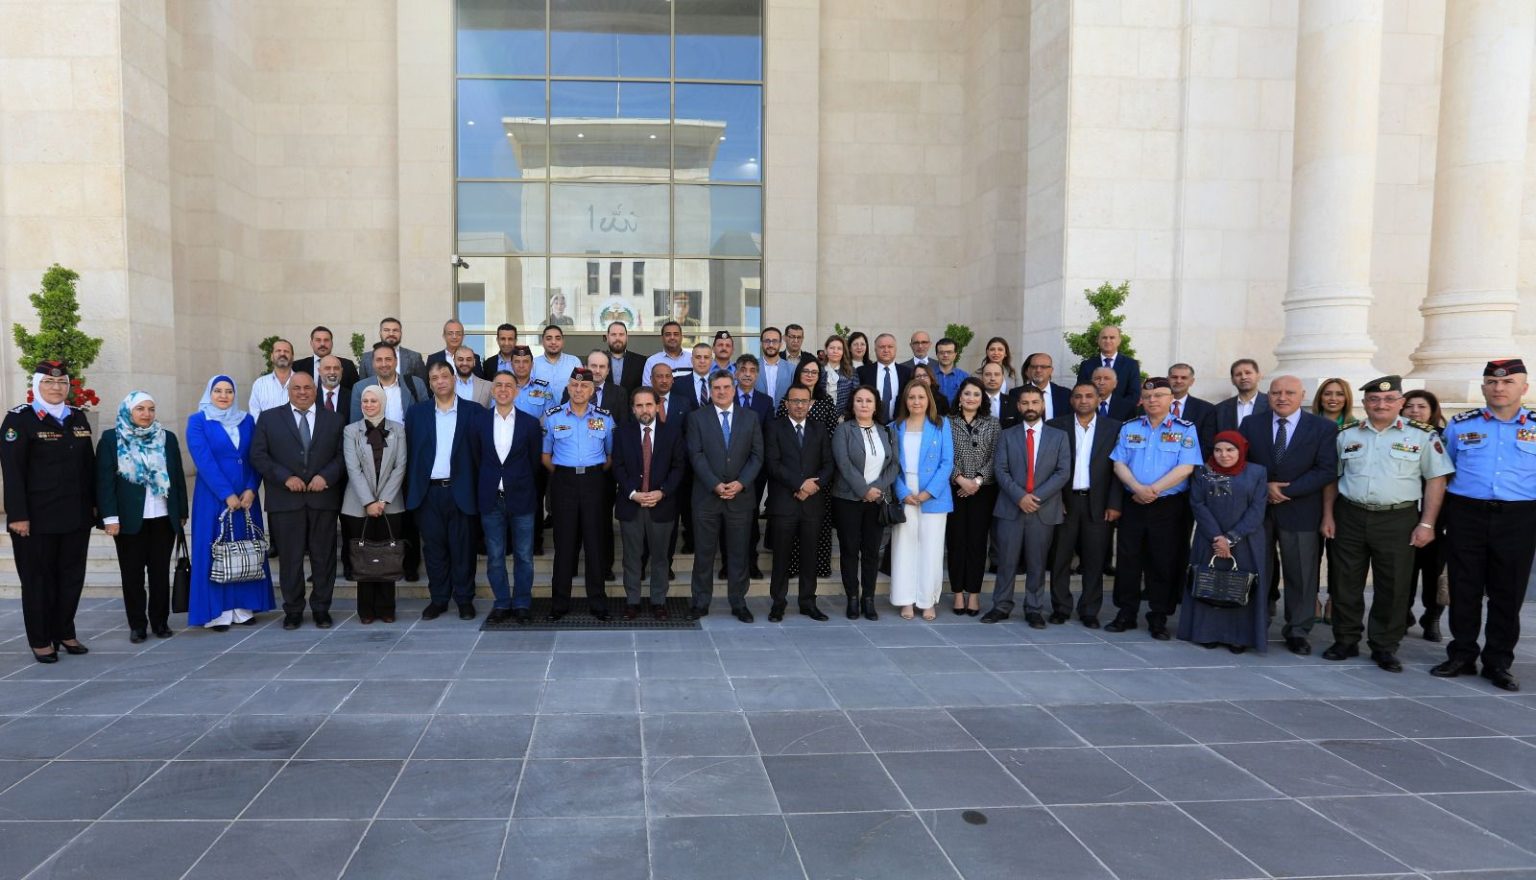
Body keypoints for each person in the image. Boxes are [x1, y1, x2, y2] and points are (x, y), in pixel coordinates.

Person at [1320, 375, 1453, 673]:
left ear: (1400, 403)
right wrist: (1328, 515)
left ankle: (1384, 646)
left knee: (1393, 585)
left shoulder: (1422, 436)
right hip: (1349, 515)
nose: (1381, 404)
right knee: (1344, 582)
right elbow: (1332, 478)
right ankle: (1345, 640)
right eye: (1374, 399)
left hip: (1398, 518)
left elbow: (1436, 479)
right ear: (1365, 403)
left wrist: (1427, 524)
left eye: (1389, 399)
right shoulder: (1346, 434)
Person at [1432, 359, 1536, 692]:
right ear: (1483, 388)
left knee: (1508, 592)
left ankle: (1498, 662)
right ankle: (1462, 654)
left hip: (1519, 517)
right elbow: (1444, 469)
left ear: (1524, 388)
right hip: (1467, 514)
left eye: (1507, 382)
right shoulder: (1461, 425)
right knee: (1464, 588)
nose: (1498, 388)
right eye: (1491, 382)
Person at [3, 361, 98, 662]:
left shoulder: (77, 417)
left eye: (62, 383)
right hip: (36, 519)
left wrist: (95, 506)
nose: (56, 388)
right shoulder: (20, 419)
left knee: (71, 578)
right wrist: (17, 515)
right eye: (49, 382)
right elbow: (12, 471)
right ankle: (41, 639)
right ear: (36, 386)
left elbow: (89, 466)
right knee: (38, 581)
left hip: (75, 515)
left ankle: (64, 631)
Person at [1239, 375, 1338, 655]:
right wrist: (1265, 487)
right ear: (1268, 395)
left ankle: (1297, 630)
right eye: (1276, 392)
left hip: (1301, 510)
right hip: (1259, 510)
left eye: (1289, 392)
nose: (1282, 398)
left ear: (1302, 395)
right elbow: (1241, 462)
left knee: (1302, 573)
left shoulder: (1323, 428)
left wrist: (1286, 490)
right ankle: (1254, 624)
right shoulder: (1251, 424)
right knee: (1258, 569)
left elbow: (1326, 469)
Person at [1106, 377, 1204, 639]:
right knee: (1128, 559)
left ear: (1171, 399)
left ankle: (1159, 616)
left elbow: (1186, 467)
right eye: (1148, 396)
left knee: (1163, 561)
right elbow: (1118, 463)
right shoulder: (1130, 427)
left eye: (1159, 395)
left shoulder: (1185, 429)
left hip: (1167, 506)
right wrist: (1137, 488)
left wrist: (1153, 490)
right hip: (1134, 503)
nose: (1153, 400)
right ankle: (1126, 612)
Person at [251, 370, 346, 630]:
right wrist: (285, 478)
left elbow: (342, 455)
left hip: (322, 499)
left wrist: (326, 476)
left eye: (307, 388)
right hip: (285, 501)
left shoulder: (335, 420)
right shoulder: (269, 419)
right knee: (290, 560)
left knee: (323, 559)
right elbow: (258, 455)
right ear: (289, 391)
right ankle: (293, 610)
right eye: (297, 388)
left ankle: (321, 609)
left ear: (315, 391)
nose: (302, 392)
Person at [184, 375, 275, 632]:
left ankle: (243, 607)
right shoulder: (198, 421)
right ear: (209, 393)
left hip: (246, 498)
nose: (224, 396)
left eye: (229, 391)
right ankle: (217, 612)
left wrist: (251, 488)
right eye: (218, 391)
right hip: (213, 499)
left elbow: (255, 456)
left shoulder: (247, 420)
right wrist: (226, 493)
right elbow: (203, 461)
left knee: (245, 548)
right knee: (216, 551)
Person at [97, 392, 189, 642]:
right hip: (128, 520)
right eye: (140, 409)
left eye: (151, 409)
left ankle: (160, 622)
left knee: (160, 574)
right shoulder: (111, 439)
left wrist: (181, 512)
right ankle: (137, 624)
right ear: (128, 411)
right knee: (132, 575)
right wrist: (109, 517)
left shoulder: (166, 438)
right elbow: (104, 482)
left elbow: (177, 476)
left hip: (162, 518)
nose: (146, 414)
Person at [983, 386, 1070, 627]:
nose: (1030, 407)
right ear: (1018, 406)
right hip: (1011, 507)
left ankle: (1034, 609)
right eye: (1025, 403)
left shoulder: (1059, 436)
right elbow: (1000, 469)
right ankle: (1001, 606)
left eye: (1035, 402)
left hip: (1043, 509)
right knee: (1006, 561)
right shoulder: (1007, 435)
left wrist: (1035, 498)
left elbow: (1062, 472)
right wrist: (1020, 496)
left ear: (1042, 405)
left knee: (1037, 563)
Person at [1178, 431, 1270, 653]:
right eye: (1218, 450)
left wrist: (1230, 538)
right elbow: (1198, 504)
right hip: (1209, 538)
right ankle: (1206, 633)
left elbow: (1257, 509)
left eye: (1230, 450)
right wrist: (1217, 537)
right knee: (1208, 583)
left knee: (1241, 587)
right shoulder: (1204, 471)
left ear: (1241, 450)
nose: (1223, 455)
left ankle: (1239, 637)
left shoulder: (1256, 472)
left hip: (1246, 540)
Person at [405, 361, 483, 621]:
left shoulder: (474, 412)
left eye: (444, 376)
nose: (440, 381)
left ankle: (464, 599)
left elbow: (481, 454)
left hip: (462, 491)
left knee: (463, 550)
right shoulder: (417, 413)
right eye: (434, 378)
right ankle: (438, 599)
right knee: (434, 551)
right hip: (429, 493)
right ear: (429, 383)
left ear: (454, 379)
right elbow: (410, 454)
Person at [686, 371, 764, 622]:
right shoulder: (697, 418)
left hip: (740, 498)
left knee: (739, 554)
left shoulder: (750, 417)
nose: (721, 391)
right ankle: (700, 602)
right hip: (706, 498)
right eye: (717, 388)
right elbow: (695, 455)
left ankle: (738, 602)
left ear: (734, 389)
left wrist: (741, 483)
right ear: (710, 391)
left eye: (726, 387)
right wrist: (715, 484)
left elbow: (757, 456)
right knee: (704, 554)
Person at [1046, 381, 1122, 628]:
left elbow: (1119, 469)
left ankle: (1089, 610)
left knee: (1094, 559)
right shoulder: (1055, 426)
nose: (1083, 400)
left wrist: (1114, 503)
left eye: (1089, 396)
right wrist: (1055, 498)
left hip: (1098, 503)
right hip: (1065, 502)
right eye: (1078, 396)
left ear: (1099, 399)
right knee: (1060, 558)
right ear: (1071, 400)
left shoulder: (1114, 428)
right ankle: (1060, 607)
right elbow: (1048, 467)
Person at [543, 368, 615, 620]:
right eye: (574, 385)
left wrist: (590, 474)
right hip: (564, 482)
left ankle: (598, 603)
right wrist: (567, 473)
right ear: (568, 387)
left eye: (584, 386)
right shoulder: (553, 416)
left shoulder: (604, 418)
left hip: (594, 482)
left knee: (595, 544)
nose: (579, 389)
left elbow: (610, 455)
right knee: (564, 545)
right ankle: (559, 604)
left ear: (592, 390)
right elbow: (546, 456)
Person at [473, 371, 541, 624]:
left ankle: (522, 602)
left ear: (516, 391)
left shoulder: (530, 423)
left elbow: (534, 462)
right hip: (491, 498)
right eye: (498, 385)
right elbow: (476, 458)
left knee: (524, 555)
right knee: (495, 556)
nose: (503, 389)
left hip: (522, 498)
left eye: (508, 386)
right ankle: (501, 602)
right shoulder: (479, 421)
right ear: (492, 390)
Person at [613, 387, 685, 619]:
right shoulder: (622, 433)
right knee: (631, 558)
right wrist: (632, 493)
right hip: (631, 505)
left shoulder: (672, 432)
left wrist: (662, 492)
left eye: (648, 405)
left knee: (661, 558)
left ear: (657, 406)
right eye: (639, 405)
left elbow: (678, 467)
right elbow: (618, 467)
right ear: (633, 409)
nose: (644, 410)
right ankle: (632, 602)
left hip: (661, 505)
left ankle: (658, 602)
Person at [765, 384, 835, 622]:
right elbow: (773, 464)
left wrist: (814, 486)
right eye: (794, 401)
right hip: (784, 503)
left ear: (811, 404)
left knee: (809, 556)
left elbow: (829, 464)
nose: (799, 405)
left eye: (804, 401)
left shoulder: (819, 429)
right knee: (781, 557)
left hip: (812, 504)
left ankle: (807, 602)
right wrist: (799, 485)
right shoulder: (774, 427)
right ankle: (778, 603)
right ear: (786, 404)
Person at [831, 386, 899, 621]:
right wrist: (864, 490)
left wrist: (876, 489)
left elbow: (894, 465)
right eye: (859, 400)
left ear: (875, 405)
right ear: (852, 404)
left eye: (868, 401)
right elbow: (843, 463)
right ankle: (852, 597)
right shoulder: (843, 430)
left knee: (871, 552)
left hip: (876, 500)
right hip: (848, 500)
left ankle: (868, 599)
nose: (863, 404)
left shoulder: (886, 431)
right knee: (850, 550)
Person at [341, 386, 407, 624]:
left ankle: (387, 608)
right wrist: (369, 501)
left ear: (382, 402)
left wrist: (383, 500)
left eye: (373, 401)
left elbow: (400, 466)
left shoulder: (398, 430)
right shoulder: (351, 431)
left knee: (387, 556)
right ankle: (366, 610)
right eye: (365, 401)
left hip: (391, 504)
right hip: (358, 505)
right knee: (364, 558)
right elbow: (353, 468)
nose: (369, 405)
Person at [889, 380, 953, 620]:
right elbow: (891, 464)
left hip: (933, 494)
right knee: (903, 547)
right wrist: (902, 491)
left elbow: (947, 462)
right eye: (911, 397)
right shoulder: (894, 427)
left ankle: (927, 600)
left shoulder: (941, 425)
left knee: (931, 548)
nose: (916, 401)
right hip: (905, 491)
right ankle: (905, 599)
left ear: (929, 400)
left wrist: (929, 492)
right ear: (905, 401)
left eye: (921, 397)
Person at [774, 360, 840, 582]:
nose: (810, 375)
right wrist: (799, 483)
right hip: (788, 489)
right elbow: (776, 452)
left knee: (814, 539)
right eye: (806, 371)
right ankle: (785, 585)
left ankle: (813, 585)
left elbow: (830, 448)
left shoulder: (824, 407)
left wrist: (814, 484)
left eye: (815, 372)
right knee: (786, 543)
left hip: (816, 486)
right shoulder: (782, 412)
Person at [946, 377, 999, 616]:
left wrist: (976, 481)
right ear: (960, 396)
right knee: (956, 542)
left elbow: (996, 457)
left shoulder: (993, 424)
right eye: (967, 393)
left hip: (982, 491)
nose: (971, 398)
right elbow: (943, 455)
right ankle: (958, 593)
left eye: (976, 394)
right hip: (954, 489)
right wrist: (960, 479)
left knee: (977, 543)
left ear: (982, 399)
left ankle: (974, 594)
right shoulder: (947, 422)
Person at [1400, 388, 1448, 641]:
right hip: (1404, 512)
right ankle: (1402, 613)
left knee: (1434, 570)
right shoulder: (1395, 434)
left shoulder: (1444, 437)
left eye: (1421, 407)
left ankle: (1433, 616)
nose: (1415, 411)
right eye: (1409, 406)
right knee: (1403, 570)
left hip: (1437, 515)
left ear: (1432, 411)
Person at [729, 354, 774, 580]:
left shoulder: (765, 401)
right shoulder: (726, 397)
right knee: (728, 518)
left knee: (751, 517)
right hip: (728, 469)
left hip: (755, 471)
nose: (747, 374)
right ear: (736, 373)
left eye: (752, 370)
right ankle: (728, 563)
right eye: (743, 369)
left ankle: (751, 562)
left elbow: (768, 436)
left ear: (757, 375)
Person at [348, 342, 429, 424]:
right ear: (373, 363)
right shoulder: (360, 388)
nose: (384, 364)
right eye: (379, 360)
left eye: (388, 359)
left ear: (396, 361)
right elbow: (356, 425)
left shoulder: (416, 384)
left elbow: (427, 417)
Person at [1073, 325, 1138, 411]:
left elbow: (1134, 394)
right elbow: (1081, 391)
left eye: (1112, 337)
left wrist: (1119, 410)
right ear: (1098, 340)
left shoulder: (1131, 364)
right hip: (1092, 413)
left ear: (1119, 340)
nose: (1108, 341)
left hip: (1122, 414)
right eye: (1104, 338)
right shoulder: (1087, 365)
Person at [857, 333, 913, 423]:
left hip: (899, 424)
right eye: (882, 347)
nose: (886, 350)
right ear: (875, 349)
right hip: (870, 423)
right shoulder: (862, 372)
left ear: (895, 349)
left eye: (890, 347)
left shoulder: (907, 372)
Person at [1206, 358, 1269, 437]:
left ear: (1258, 376)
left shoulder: (1271, 404)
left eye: (1248, 373)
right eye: (1238, 374)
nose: (1243, 377)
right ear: (1232, 380)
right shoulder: (1220, 409)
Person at [292, 325, 360, 390]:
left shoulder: (347, 365)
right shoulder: (297, 366)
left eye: (326, 340)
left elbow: (355, 392)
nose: (322, 344)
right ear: (311, 343)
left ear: (332, 343)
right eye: (318, 340)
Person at [361, 316, 427, 383]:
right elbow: (362, 386)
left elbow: (422, 385)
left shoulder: (415, 357)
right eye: (386, 330)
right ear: (380, 333)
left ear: (400, 333)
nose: (391, 333)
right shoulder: (366, 358)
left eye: (395, 330)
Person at [248, 338, 295, 416]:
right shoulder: (260, 384)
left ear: (292, 357)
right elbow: (255, 413)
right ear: (271, 356)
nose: (282, 354)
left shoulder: (303, 383)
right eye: (278, 351)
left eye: (286, 351)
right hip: (266, 425)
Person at [1020, 353, 1070, 423]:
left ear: (1051, 370)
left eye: (1043, 367)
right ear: (1029, 369)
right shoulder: (1017, 393)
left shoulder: (1065, 394)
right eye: (1034, 367)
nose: (1038, 370)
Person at [642, 321, 692, 385]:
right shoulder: (652, 361)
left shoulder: (692, 359)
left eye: (676, 334)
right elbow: (647, 388)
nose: (672, 337)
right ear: (662, 338)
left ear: (682, 337)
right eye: (668, 334)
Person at [757, 327, 795, 407]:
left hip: (783, 413)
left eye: (774, 341)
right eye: (767, 341)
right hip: (757, 414)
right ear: (761, 343)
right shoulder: (752, 367)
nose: (771, 345)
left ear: (781, 344)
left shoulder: (792, 369)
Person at [606, 321, 647, 393]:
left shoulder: (641, 361)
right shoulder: (598, 361)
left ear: (627, 337)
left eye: (621, 334)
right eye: (613, 334)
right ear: (607, 337)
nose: (617, 338)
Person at [822, 335, 855, 412]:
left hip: (843, 416)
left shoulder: (851, 371)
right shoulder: (818, 369)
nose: (835, 351)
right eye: (832, 348)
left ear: (843, 352)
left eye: (839, 348)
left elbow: (855, 395)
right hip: (820, 414)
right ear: (826, 350)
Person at [932, 337, 969, 403]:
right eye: (941, 352)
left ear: (955, 355)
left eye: (949, 352)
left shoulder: (964, 377)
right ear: (937, 355)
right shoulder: (929, 375)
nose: (945, 355)